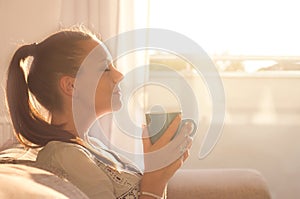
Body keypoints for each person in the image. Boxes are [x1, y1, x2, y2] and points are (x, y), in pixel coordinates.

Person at [5, 28, 193, 199]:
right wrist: (154, 181)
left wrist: (159, 169)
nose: (119, 75)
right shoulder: (65, 156)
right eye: (105, 68)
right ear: (72, 86)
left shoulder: (91, 146)